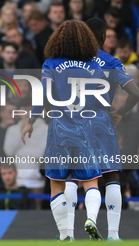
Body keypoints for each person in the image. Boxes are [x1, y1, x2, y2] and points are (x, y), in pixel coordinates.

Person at [21, 20, 107, 241]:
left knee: (57, 185)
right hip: (86, 130)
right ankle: (91, 220)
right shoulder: (95, 66)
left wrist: (31, 120)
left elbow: (43, 95)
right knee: (91, 182)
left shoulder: (50, 64)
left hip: (59, 130)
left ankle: (65, 235)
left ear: (57, 40)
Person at [65, 17, 139, 241]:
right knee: (112, 176)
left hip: (74, 124)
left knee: (73, 177)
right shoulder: (112, 62)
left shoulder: (67, 63)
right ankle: (114, 235)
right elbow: (135, 93)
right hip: (102, 123)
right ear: (104, 37)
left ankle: (67, 232)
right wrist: (119, 113)